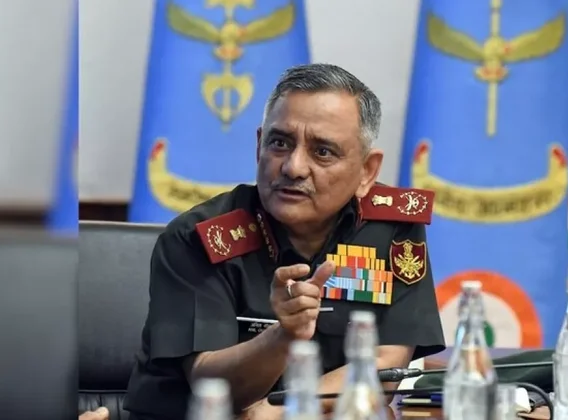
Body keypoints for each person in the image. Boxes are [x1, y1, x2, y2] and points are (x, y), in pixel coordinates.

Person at [123, 63, 445, 420]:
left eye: (322, 152)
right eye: (279, 143)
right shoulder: (201, 237)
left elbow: (386, 362)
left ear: (367, 171)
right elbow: (210, 385)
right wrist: (284, 336)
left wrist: (279, 410)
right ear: (258, 146)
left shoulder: (391, 227)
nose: (293, 167)